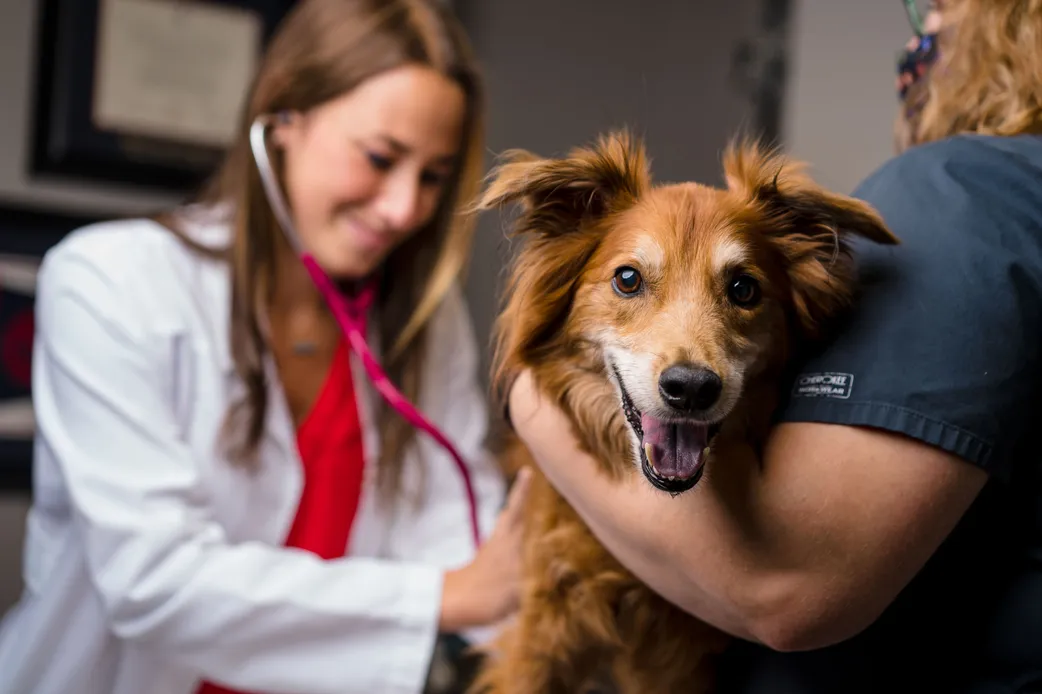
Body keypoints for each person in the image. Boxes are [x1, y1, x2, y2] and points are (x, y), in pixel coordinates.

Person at [504, 0, 1042, 691]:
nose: (921, 31)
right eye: (632, 280)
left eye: (935, 8)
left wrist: (525, 401)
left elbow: (788, 590)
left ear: (1004, 28)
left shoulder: (957, 190)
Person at [0, 1, 531, 693]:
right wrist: (445, 597)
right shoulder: (108, 283)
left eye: (432, 176)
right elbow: (152, 582)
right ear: (284, 119)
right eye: (380, 157)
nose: (404, 208)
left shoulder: (422, 329)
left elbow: (463, 546)